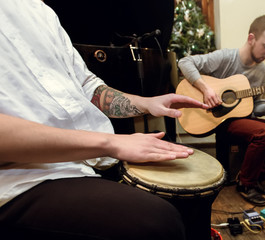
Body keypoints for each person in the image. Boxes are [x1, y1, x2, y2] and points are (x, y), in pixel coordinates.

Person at [0, 0, 209, 239]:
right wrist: (112, 142)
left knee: (191, 197)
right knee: (157, 222)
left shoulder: (39, 10)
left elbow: (87, 86)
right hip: (23, 180)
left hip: (91, 160)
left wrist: (146, 103)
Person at [178, 15, 265, 206]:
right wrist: (206, 89)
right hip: (222, 121)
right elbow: (184, 62)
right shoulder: (225, 58)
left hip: (246, 120)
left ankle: (252, 171)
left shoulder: (262, 72)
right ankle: (246, 183)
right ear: (251, 39)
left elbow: (255, 109)